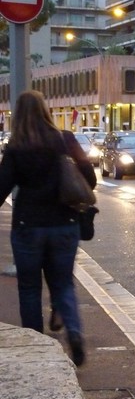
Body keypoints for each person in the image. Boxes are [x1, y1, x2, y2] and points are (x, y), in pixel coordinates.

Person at [0, 90, 96, 366]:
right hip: (64, 224)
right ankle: (74, 334)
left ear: (18, 115)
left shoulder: (16, 147)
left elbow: (2, 186)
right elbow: (89, 178)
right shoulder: (65, 139)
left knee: (29, 288)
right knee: (63, 283)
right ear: (45, 111)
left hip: (28, 226)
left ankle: (36, 348)